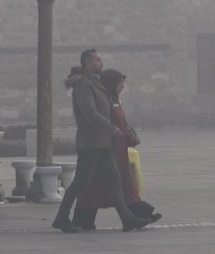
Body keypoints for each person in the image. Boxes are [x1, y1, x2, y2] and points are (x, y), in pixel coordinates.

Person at [51, 50, 150, 233]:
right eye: (97, 60)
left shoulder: (95, 83)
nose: (101, 63)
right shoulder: (83, 86)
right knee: (81, 182)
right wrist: (110, 127)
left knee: (115, 180)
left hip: (103, 143)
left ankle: (127, 218)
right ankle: (61, 217)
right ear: (88, 62)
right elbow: (89, 112)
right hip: (90, 143)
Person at [72, 69, 162, 230]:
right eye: (120, 83)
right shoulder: (104, 102)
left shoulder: (114, 100)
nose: (122, 87)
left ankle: (139, 215)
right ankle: (81, 218)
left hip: (118, 149)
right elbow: (98, 121)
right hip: (107, 149)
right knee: (98, 185)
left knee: (123, 184)